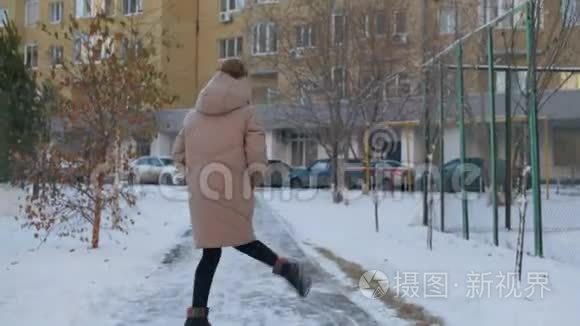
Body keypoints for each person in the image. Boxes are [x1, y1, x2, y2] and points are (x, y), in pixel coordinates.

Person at [172, 58, 312, 326]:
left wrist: (193, 173)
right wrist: (254, 176)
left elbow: (177, 154)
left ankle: (197, 317)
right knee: (241, 239)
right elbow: (257, 153)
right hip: (233, 186)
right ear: (241, 80)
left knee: (211, 252)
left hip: (202, 192)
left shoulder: (192, 116)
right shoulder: (246, 113)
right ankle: (285, 267)